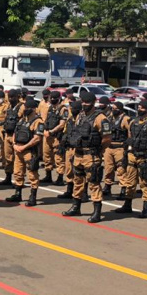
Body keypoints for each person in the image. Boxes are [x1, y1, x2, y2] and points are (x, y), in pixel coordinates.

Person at [63, 92, 111, 223]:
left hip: (91, 155)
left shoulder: (100, 118)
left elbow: (107, 138)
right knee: (77, 181)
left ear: (93, 103)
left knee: (94, 183)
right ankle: (76, 207)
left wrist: (99, 150)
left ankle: (97, 211)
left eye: (87, 103)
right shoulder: (80, 116)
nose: (84, 105)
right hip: (78, 154)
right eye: (83, 102)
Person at [116, 99, 147, 218]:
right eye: (139, 107)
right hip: (132, 155)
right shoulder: (133, 122)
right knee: (130, 181)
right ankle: (127, 205)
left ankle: (146, 208)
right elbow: (130, 137)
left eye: (143, 108)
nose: (140, 109)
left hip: (145, 157)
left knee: (144, 183)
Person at [6, 96, 44, 206]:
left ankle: (33, 196)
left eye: (28, 107)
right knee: (18, 172)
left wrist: (24, 147)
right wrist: (14, 144)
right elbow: (15, 132)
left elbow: (37, 138)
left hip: (30, 151)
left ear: (34, 109)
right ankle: (18, 193)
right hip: (18, 149)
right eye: (25, 107)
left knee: (32, 174)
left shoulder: (38, 121)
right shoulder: (22, 120)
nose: (25, 109)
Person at [103, 100, 131, 199]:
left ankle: (123, 189)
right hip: (109, 147)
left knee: (121, 169)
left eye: (116, 109)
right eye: (112, 108)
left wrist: (128, 146)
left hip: (120, 147)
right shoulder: (109, 117)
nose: (113, 110)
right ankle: (107, 186)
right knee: (108, 168)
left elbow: (130, 132)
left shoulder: (125, 119)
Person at [41, 91, 67, 185]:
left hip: (57, 137)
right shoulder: (50, 108)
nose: (52, 100)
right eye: (51, 98)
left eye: (54, 98)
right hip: (48, 136)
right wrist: (44, 130)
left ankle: (60, 177)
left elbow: (62, 124)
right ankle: (48, 175)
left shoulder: (63, 109)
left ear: (59, 99)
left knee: (58, 157)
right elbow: (46, 121)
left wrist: (51, 131)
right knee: (46, 156)